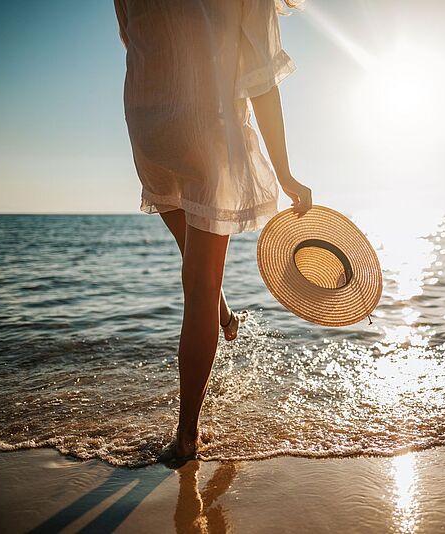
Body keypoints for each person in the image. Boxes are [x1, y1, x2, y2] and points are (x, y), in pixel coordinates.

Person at [113, 0, 312, 459]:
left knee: (191, 249)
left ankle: (222, 311)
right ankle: (187, 435)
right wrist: (284, 173)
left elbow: (134, 39)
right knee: (200, 287)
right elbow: (262, 80)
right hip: (205, 126)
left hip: (147, 124)